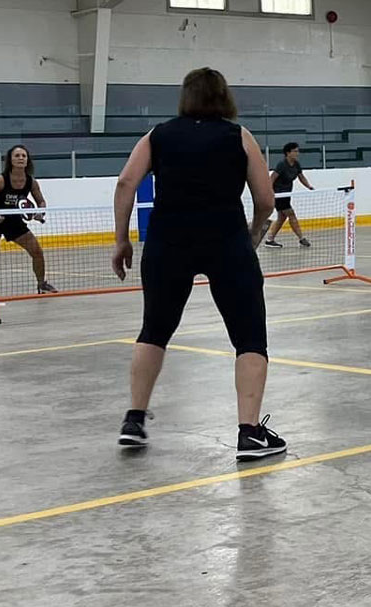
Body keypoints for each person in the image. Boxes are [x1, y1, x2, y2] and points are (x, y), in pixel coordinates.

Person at [112, 67, 283, 459]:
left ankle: (134, 420)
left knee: (154, 329)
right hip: (226, 242)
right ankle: (249, 433)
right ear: (224, 97)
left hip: (168, 242)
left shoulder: (158, 135)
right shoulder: (239, 136)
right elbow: (266, 200)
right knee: (249, 336)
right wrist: (254, 231)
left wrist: (122, 239)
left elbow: (125, 183)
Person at [0, 144, 55, 300]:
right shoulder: (1, 180)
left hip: (14, 221)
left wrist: (40, 213)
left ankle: (42, 284)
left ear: (27, 160)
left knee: (37, 252)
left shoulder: (31, 182)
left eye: (24, 156)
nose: (21, 158)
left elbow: (41, 202)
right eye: (17, 156)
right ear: (11, 160)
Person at [263, 141, 313, 248]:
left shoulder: (296, 164)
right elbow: (272, 178)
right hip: (278, 194)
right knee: (291, 214)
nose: (297, 153)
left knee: (282, 217)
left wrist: (308, 186)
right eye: (295, 151)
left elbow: (301, 176)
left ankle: (269, 240)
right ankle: (301, 238)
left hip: (287, 194)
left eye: (297, 151)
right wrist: (269, 193)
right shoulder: (282, 164)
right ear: (288, 153)